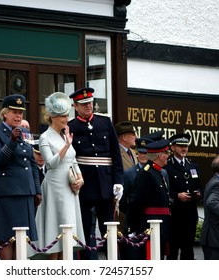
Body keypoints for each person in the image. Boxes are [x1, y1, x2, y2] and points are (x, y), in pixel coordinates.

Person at [68, 87, 124, 260]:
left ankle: (113, 264)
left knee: (110, 229)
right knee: (85, 231)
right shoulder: (71, 126)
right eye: (84, 104)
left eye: (90, 103)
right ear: (75, 106)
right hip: (84, 185)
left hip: (106, 184)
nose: (88, 106)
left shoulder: (105, 122)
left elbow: (116, 154)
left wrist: (118, 181)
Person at [29, 92, 85, 260]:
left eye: (67, 115)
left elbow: (73, 160)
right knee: (55, 231)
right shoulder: (46, 137)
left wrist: (81, 179)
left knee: (68, 231)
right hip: (55, 186)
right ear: (53, 117)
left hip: (69, 187)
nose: (66, 119)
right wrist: (66, 145)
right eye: (63, 116)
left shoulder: (63, 134)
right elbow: (50, 163)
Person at [0, 93, 42, 260]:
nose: (18, 116)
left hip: (26, 192)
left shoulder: (25, 133)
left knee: (22, 237)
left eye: (20, 113)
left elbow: (32, 162)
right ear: (5, 113)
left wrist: (37, 189)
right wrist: (11, 140)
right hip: (7, 193)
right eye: (14, 112)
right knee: (6, 237)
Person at [127, 139, 171, 259]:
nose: (168, 156)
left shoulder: (157, 172)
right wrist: (133, 225)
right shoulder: (147, 173)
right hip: (149, 226)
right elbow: (137, 201)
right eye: (166, 154)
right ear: (160, 156)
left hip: (160, 226)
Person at [164, 133, 201, 260]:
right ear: (173, 148)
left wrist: (198, 193)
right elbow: (164, 190)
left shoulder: (193, 165)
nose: (184, 149)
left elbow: (198, 186)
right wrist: (177, 195)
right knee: (172, 250)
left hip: (190, 214)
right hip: (174, 214)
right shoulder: (167, 166)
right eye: (180, 146)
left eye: (186, 146)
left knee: (188, 249)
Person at [114, 121, 137, 259]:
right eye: (132, 134)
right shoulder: (115, 152)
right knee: (120, 238)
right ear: (124, 137)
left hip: (131, 201)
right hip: (120, 202)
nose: (135, 136)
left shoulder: (133, 153)